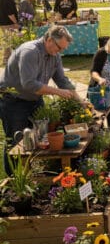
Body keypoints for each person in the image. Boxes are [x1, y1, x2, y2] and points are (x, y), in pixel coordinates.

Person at [0, 25, 82, 172]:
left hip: (35, 100)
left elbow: (62, 80)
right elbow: (29, 84)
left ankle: (35, 173)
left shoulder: (54, 56)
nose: (60, 52)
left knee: (41, 138)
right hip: (14, 101)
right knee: (16, 142)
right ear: (49, 39)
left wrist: (81, 102)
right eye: (59, 47)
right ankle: (14, 181)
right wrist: (57, 92)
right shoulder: (30, 52)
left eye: (63, 49)